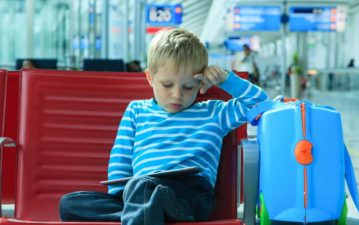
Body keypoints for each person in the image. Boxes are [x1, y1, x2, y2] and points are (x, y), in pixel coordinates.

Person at [59, 28, 268, 224]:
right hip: (139, 192)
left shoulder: (213, 112)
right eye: (167, 85)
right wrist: (123, 196)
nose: (177, 94)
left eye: (188, 87)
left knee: (145, 188)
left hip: (190, 195)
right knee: (70, 204)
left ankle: (141, 211)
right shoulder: (137, 111)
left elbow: (260, 104)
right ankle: (141, 212)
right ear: (150, 78)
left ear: (201, 84)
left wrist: (225, 80)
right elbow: (121, 158)